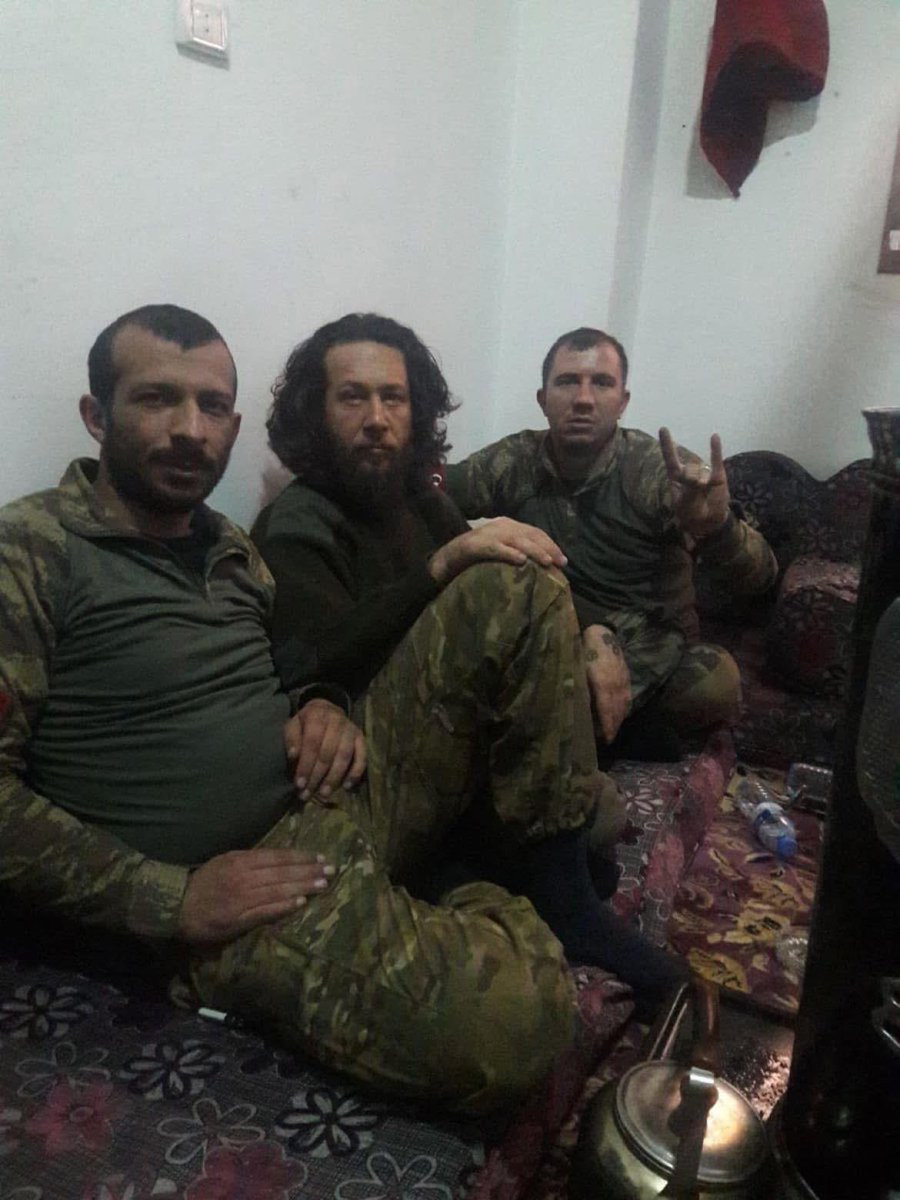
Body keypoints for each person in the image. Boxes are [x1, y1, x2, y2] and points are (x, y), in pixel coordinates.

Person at [0, 305, 656, 1119]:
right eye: (156, 399)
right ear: (97, 415)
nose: (188, 430)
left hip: (329, 794)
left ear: (235, 426)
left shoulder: (229, 547)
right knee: (521, 1024)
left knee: (511, 582)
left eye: (211, 407)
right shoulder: (29, 553)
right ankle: (468, 885)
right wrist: (172, 898)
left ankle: (528, 891)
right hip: (236, 888)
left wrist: (320, 703)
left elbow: (298, 660)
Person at [252, 311, 687, 1017]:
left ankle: (517, 857)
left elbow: (518, 560)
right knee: (504, 585)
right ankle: (557, 898)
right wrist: (440, 566)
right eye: (352, 397)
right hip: (370, 765)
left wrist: (594, 632)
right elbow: (313, 656)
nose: (376, 419)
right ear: (315, 412)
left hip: (452, 736)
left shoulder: (418, 501)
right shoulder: (300, 518)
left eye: (393, 398)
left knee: (600, 813)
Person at [445, 327, 778, 760]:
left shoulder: (658, 470)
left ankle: (587, 727)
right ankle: (615, 732)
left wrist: (718, 528)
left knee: (716, 682)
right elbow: (435, 493)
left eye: (601, 383)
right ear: (543, 399)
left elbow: (761, 578)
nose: (584, 399)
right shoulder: (517, 460)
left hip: (649, 642)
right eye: (568, 382)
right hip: (551, 629)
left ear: (623, 401)